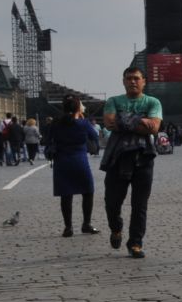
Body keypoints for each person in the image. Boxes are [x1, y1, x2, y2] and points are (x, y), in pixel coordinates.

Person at [102, 67, 164, 258]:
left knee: (140, 204)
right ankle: (116, 227)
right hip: (117, 157)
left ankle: (135, 242)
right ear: (123, 81)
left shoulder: (153, 102)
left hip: (143, 157)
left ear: (144, 81)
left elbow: (153, 128)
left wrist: (124, 120)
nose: (132, 82)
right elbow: (110, 123)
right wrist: (141, 121)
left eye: (136, 78)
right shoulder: (113, 101)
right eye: (129, 78)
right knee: (112, 202)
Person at [48, 95, 101, 237]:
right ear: (78, 108)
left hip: (61, 162)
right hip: (80, 161)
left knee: (66, 195)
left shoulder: (56, 123)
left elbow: (48, 139)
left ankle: (68, 227)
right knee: (88, 192)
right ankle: (86, 224)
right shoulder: (83, 123)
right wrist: (83, 119)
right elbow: (95, 136)